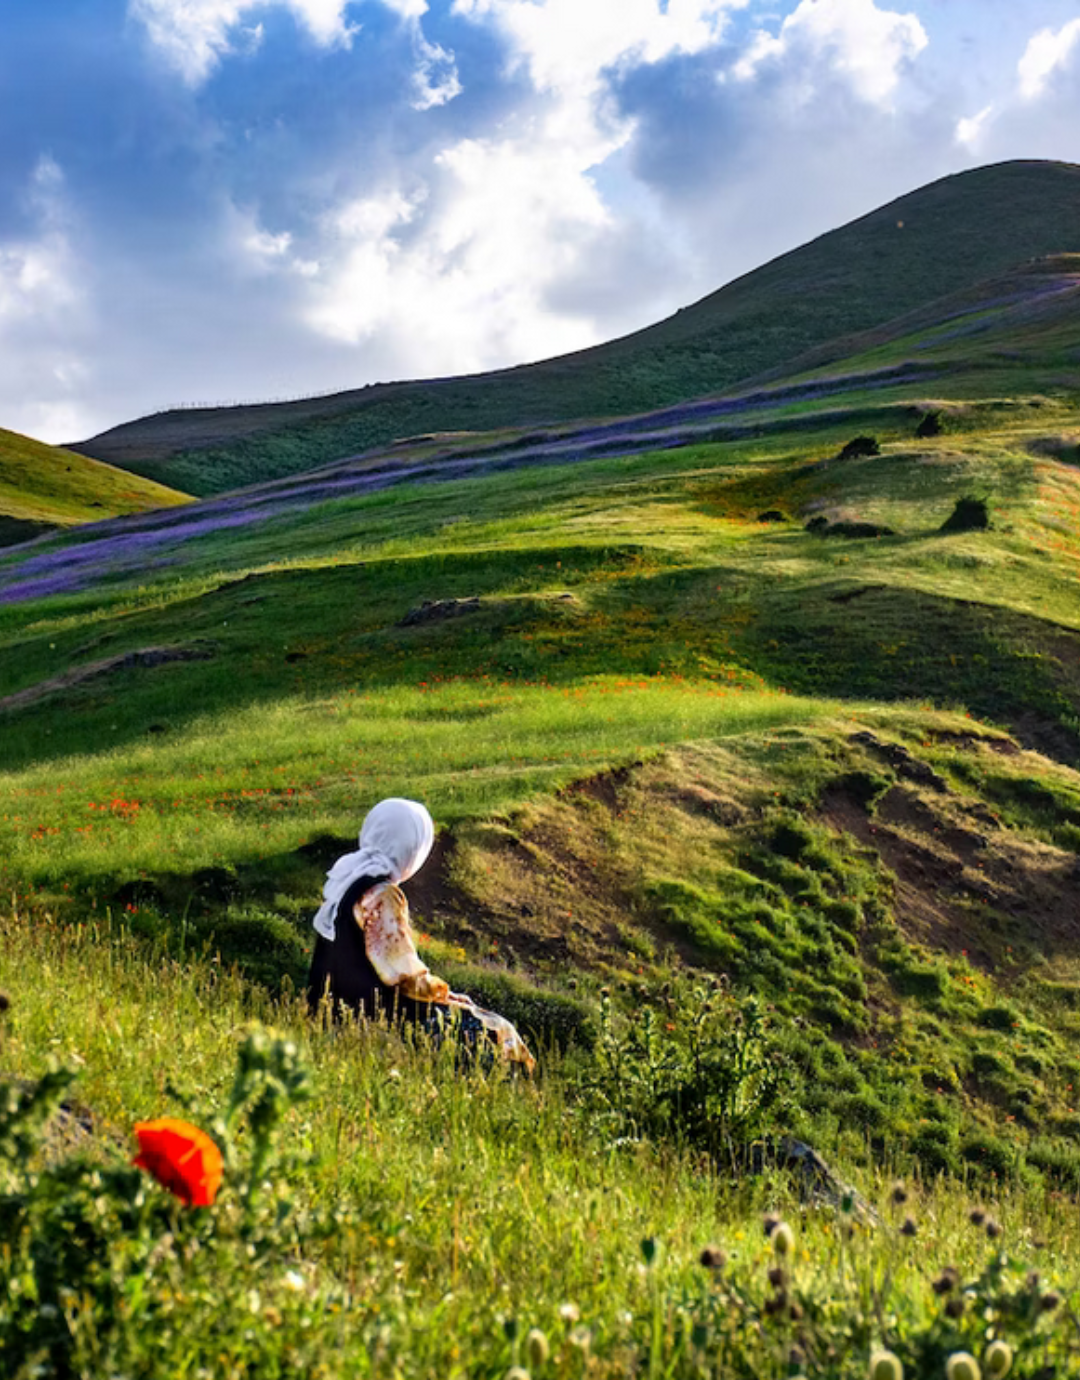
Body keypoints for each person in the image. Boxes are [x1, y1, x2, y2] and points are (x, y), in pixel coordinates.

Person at [306, 798, 535, 1072]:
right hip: (373, 1012)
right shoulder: (383, 895)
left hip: (334, 1005)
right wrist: (445, 995)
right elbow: (401, 974)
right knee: (496, 1029)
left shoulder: (347, 881)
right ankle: (497, 1088)